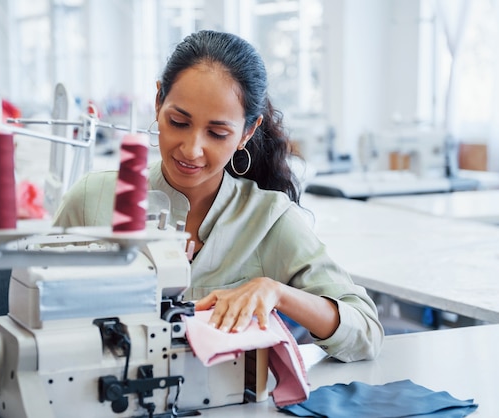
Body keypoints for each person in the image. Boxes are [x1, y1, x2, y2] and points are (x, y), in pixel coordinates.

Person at [53, 30, 383, 362]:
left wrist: (278, 293)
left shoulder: (267, 220)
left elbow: (366, 332)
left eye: (217, 133)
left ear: (248, 131)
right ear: (158, 103)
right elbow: (35, 309)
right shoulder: (92, 200)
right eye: (178, 122)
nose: (191, 149)